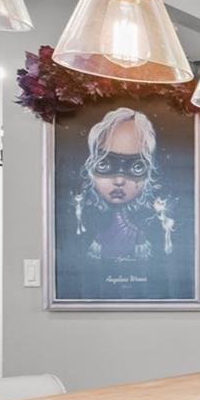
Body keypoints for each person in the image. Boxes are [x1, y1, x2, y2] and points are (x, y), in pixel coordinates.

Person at [56, 106, 181, 300]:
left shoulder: (157, 229)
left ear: (149, 172)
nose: (119, 180)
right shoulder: (75, 227)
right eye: (105, 164)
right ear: (91, 166)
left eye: (136, 166)